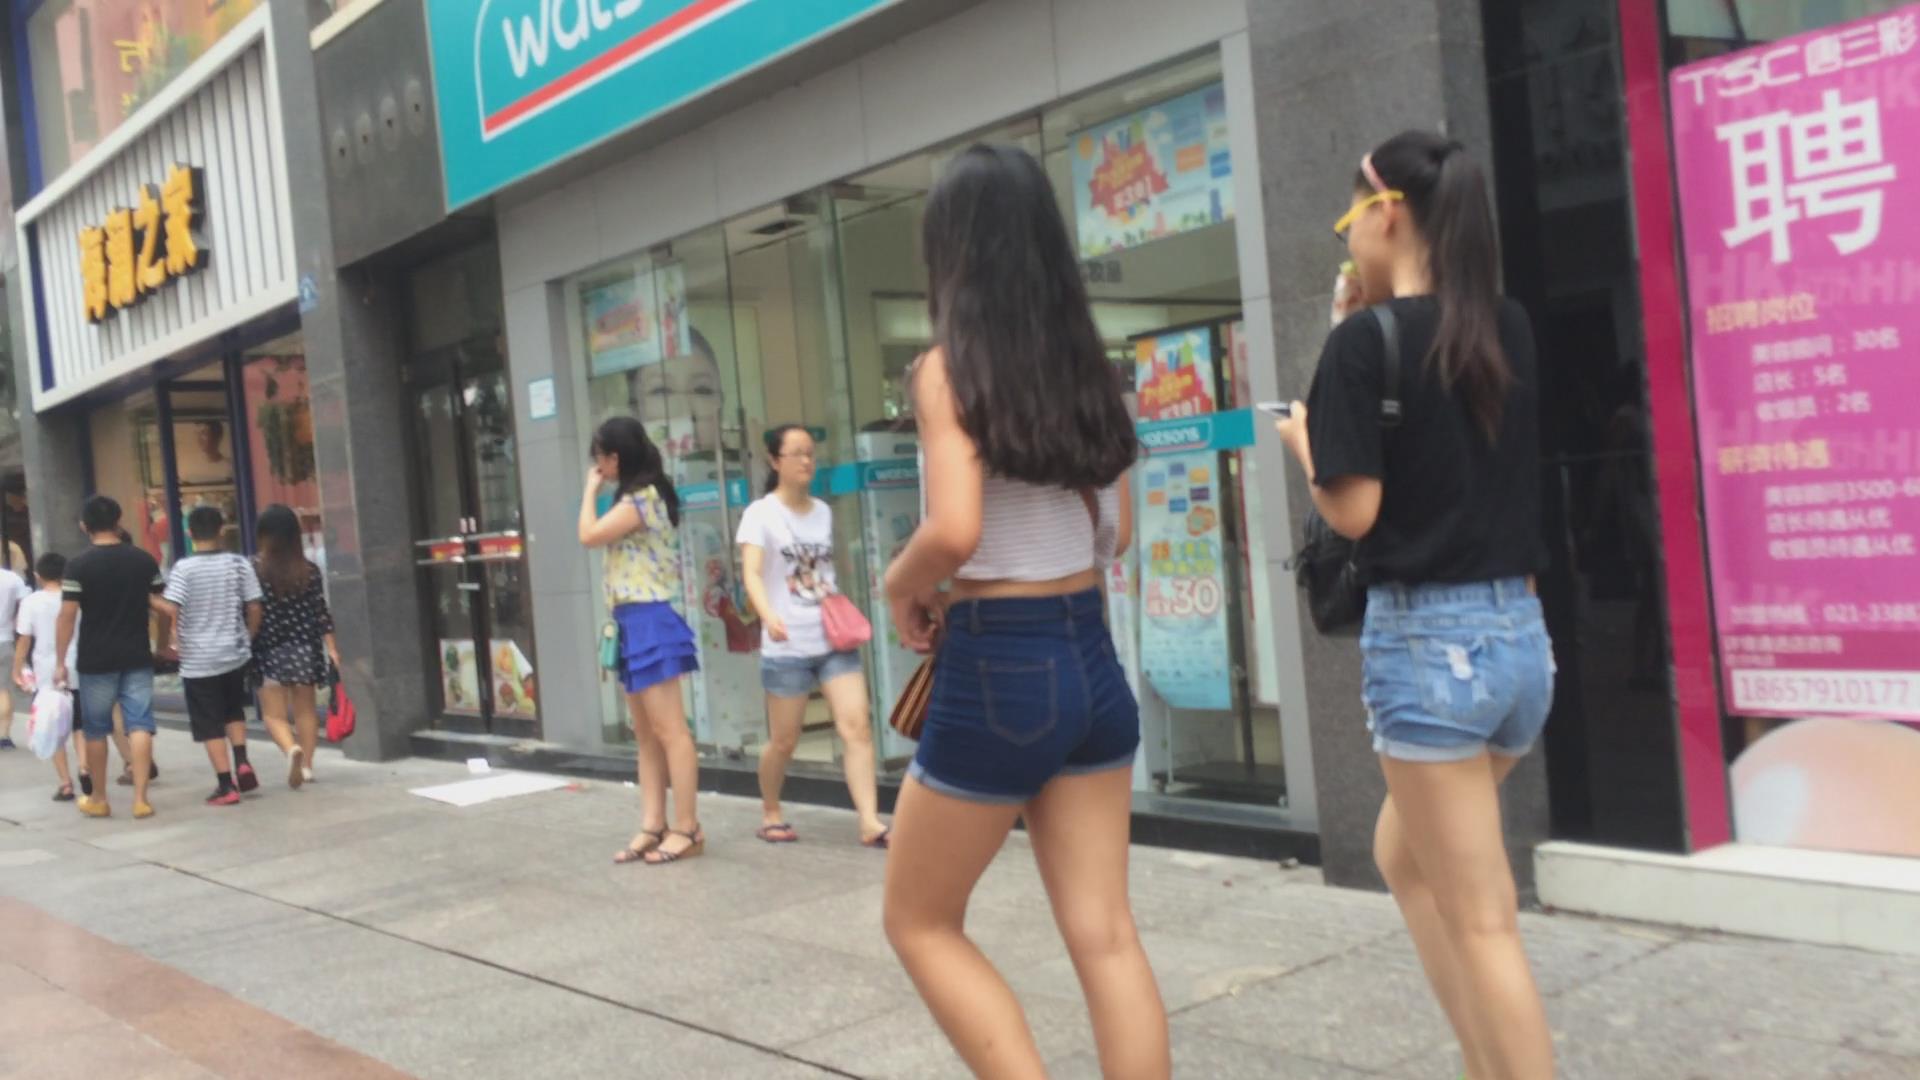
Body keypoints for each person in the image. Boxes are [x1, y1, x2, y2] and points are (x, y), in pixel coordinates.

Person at [1273, 131, 1556, 1080]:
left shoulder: (1364, 343)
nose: (1345, 234)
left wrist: (1307, 445)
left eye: (1349, 218)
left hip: (1433, 652)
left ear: (1388, 213)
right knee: (1404, 855)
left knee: (1484, 919)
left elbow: (1353, 510)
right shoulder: (1506, 325)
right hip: (1520, 645)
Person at [880, 145, 1165, 1079]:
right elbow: (1115, 534)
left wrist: (898, 583)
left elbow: (955, 529)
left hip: (1002, 663)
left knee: (919, 920)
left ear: (953, 251)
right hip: (1090, 656)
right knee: (1105, 932)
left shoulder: (946, 371)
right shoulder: (1090, 372)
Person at [737, 424, 889, 848]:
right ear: (774, 461)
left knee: (857, 727)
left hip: (833, 640)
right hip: (787, 644)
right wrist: (768, 615)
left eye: (811, 453)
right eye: (797, 453)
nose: (806, 461)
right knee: (784, 741)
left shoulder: (823, 511)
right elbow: (751, 573)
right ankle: (771, 809)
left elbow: (827, 571)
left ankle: (869, 820)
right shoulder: (760, 514)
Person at [579, 417, 704, 866]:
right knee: (647, 735)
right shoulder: (636, 496)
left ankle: (686, 827)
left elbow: (588, 535)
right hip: (631, 622)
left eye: (600, 457)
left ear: (614, 458)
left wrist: (589, 491)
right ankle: (653, 824)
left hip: (650, 619)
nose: (597, 465)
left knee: (671, 732)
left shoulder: (642, 497)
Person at [56, 496, 170, 820]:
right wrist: (162, 646)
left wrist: (60, 660)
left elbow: (67, 615)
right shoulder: (143, 560)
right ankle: (141, 799)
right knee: (140, 724)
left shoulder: (78, 565)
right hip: (137, 653)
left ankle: (99, 798)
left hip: (96, 658)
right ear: (119, 521)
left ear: (84, 526)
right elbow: (162, 607)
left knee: (95, 729)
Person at [156, 506, 264, 806]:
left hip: (199, 659)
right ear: (221, 530)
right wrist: (248, 636)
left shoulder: (184, 568)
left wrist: (151, 601)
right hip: (233, 652)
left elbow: (171, 608)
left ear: (189, 533)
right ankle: (242, 760)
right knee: (233, 710)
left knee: (209, 723)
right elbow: (255, 605)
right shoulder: (239, 563)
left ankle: (226, 784)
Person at [252, 504, 341, 789]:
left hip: (269, 649)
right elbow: (321, 612)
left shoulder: (254, 569)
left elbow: (251, 610)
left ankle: (291, 749)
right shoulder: (309, 571)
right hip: (306, 648)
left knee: (273, 715)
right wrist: (332, 649)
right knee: (306, 711)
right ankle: (308, 767)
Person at [13, 552, 85, 800]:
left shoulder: (31, 602)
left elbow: (24, 639)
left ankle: (65, 783)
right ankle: (85, 767)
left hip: (46, 675)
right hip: (78, 667)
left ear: (38, 576)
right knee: (80, 725)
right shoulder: (76, 598)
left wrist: (17, 668)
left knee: (53, 725)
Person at [0, 557, 30, 749]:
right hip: (5, 639)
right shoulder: (12, 579)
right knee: (3, 689)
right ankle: (4, 736)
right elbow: (25, 603)